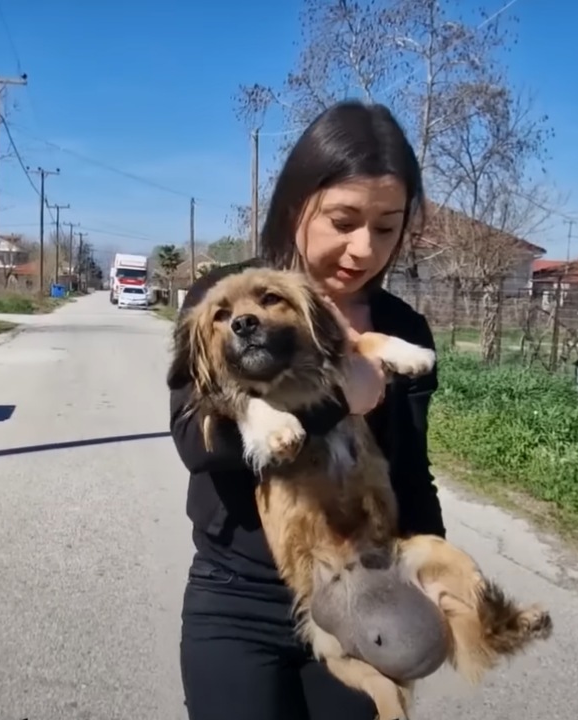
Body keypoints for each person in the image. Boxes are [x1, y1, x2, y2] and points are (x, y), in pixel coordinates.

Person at [168, 99, 446, 720]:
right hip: (236, 599)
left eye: (386, 226)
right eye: (343, 221)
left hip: (361, 594)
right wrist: (334, 403)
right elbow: (195, 444)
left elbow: (412, 472)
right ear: (298, 207)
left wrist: (426, 578)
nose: (363, 249)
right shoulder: (226, 300)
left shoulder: (402, 328)